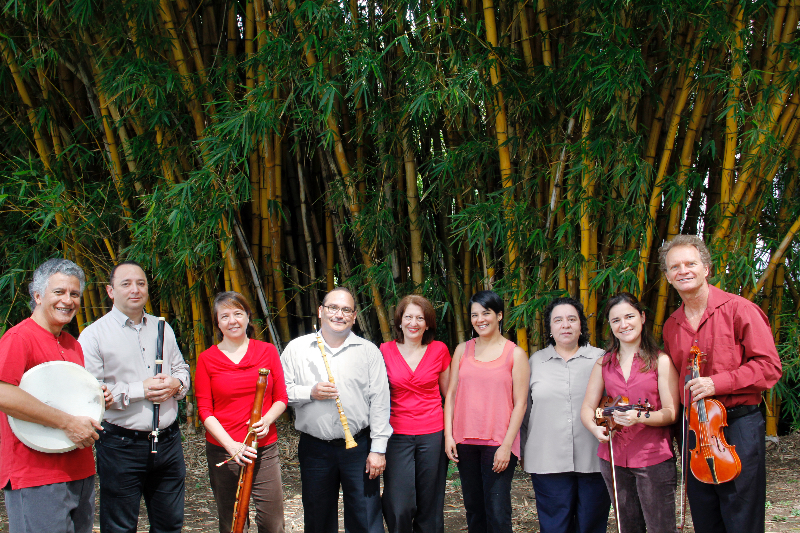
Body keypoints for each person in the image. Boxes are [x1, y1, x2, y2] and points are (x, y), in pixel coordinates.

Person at [658, 235, 782, 533]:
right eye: (675, 266)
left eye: (691, 263)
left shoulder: (740, 309)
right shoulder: (672, 325)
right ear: (667, 276)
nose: (683, 271)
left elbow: (769, 368)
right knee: (705, 516)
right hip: (694, 434)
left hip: (737, 425)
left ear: (706, 269)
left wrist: (718, 383)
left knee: (741, 516)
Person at [0, 259, 111, 533]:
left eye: (74, 294)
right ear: (37, 296)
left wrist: (96, 399)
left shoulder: (72, 344)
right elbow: (3, 392)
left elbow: (66, 398)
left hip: (79, 468)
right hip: (35, 473)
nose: (68, 300)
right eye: (59, 292)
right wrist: (66, 423)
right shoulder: (19, 338)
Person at [80, 260, 191, 533]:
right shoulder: (93, 335)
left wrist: (177, 384)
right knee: (120, 526)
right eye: (126, 284)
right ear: (110, 291)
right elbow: (91, 393)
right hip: (121, 444)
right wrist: (141, 389)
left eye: (141, 283)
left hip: (168, 441)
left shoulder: (161, 327)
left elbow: (181, 368)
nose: (135, 289)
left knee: (170, 524)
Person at [280, 286, 391, 533]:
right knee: (318, 518)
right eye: (333, 308)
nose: (338, 314)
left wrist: (378, 449)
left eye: (346, 310)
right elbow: (280, 394)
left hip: (359, 448)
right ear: (320, 311)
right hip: (315, 447)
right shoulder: (296, 349)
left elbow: (380, 402)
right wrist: (310, 392)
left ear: (354, 315)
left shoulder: (368, 351)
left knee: (366, 517)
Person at [580, 292, 680, 533]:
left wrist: (641, 416)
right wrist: (595, 429)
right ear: (610, 326)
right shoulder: (604, 362)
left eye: (629, 317)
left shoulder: (661, 361)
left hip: (652, 458)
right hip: (613, 457)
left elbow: (671, 412)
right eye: (616, 320)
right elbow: (587, 408)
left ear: (642, 317)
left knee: (661, 528)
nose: (623, 325)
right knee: (628, 527)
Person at [195, 291, 288, 533]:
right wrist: (231, 446)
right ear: (217, 323)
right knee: (232, 521)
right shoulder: (207, 359)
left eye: (238, 313)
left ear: (248, 317)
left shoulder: (267, 351)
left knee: (272, 522)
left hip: (263, 447)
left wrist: (267, 420)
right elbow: (205, 411)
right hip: (223, 450)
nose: (232, 321)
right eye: (224, 316)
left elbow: (281, 398)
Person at [520, 296, 610, 533]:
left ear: (581, 325)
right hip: (547, 460)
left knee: (591, 525)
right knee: (554, 527)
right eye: (558, 320)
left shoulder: (602, 360)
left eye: (572, 319)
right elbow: (524, 411)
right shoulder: (534, 362)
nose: (565, 325)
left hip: (594, 457)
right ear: (549, 328)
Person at [444, 290, 529, 533]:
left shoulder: (515, 354)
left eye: (486, 313)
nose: (480, 319)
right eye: (474, 315)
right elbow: (451, 394)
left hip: (498, 442)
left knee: (497, 508)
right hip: (465, 440)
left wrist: (507, 445)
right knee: (474, 507)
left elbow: (520, 403)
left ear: (499, 315)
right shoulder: (462, 350)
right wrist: (449, 436)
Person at [380, 295, 451, 533]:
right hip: (396, 432)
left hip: (432, 432)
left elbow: (449, 395)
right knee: (398, 503)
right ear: (399, 321)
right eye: (408, 316)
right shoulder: (384, 350)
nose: (414, 322)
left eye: (420, 318)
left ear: (428, 323)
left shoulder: (439, 350)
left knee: (430, 501)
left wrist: (451, 435)